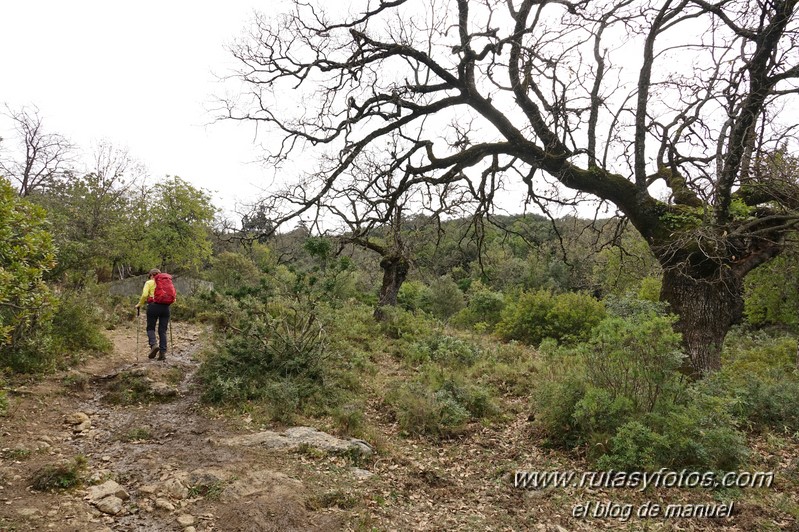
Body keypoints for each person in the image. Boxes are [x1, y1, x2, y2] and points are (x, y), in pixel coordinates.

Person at [135, 268, 173, 361]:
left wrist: (139, 304)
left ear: (151, 275)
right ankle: (162, 353)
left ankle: (154, 345)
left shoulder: (149, 282)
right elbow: (173, 298)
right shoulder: (166, 282)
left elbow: (144, 295)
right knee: (162, 330)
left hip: (153, 306)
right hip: (165, 307)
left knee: (150, 328)